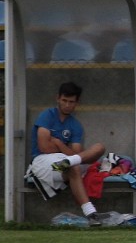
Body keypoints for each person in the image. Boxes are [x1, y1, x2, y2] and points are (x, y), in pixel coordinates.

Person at [29, 82, 106, 226]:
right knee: (74, 166)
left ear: (77, 103)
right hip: (45, 162)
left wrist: (58, 143)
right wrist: (65, 150)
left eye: (71, 102)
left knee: (99, 148)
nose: (67, 105)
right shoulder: (47, 115)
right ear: (58, 98)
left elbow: (75, 154)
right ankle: (91, 213)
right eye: (64, 101)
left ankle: (67, 164)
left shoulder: (75, 125)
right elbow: (44, 147)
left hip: (67, 162)